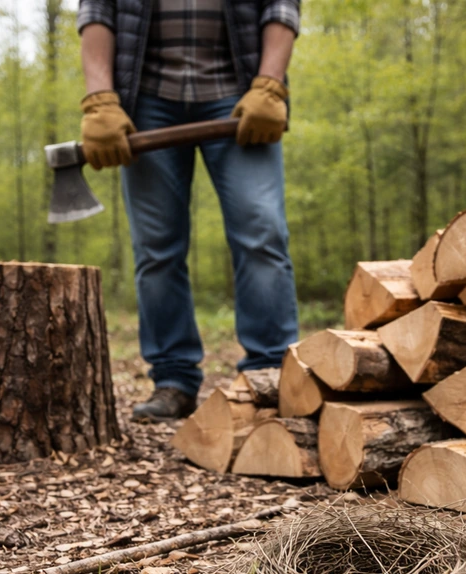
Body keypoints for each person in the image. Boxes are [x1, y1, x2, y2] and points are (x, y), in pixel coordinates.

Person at [76, 0, 301, 420]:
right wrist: (99, 99)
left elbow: (281, 5)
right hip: (144, 99)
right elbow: (97, 11)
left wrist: (269, 85)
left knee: (262, 233)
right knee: (156, 248)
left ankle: (270, 374)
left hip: (240, 93)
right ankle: (173, 380)